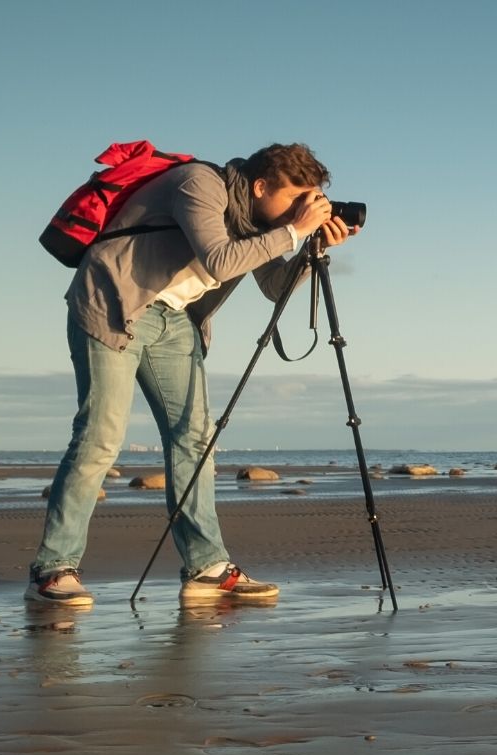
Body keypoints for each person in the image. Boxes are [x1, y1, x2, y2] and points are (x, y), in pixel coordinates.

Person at [27, 143, 358, 607]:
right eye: (296, 198)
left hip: (174, 319)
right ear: (260, 186)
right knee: (100, 437)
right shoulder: (200, 184)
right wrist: (293, 231)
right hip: (112, 302)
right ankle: (53, 569)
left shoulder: (260, 221)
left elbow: (274, 287)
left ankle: (207, 567)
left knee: (195, 439)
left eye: (309, 202)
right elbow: (219, 259)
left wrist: (310, 248)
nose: (302, 209)